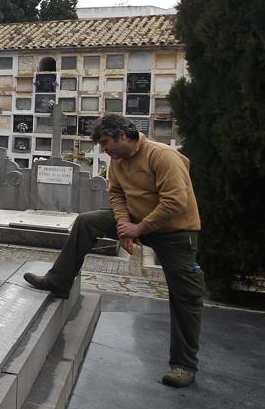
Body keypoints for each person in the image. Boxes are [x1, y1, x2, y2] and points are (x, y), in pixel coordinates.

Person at [23, 114, 205, 388]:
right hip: (136, 222)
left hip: (175, 232)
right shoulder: (117, 161)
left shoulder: (163, 156)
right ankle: (59, 281)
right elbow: (117, 195)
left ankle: (183, 365)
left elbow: (175, 202)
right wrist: (123, 226)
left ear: (122, 134)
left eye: (106, 143)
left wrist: (139, 229)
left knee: (185, 295)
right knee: (87, 222)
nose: (103, 150)